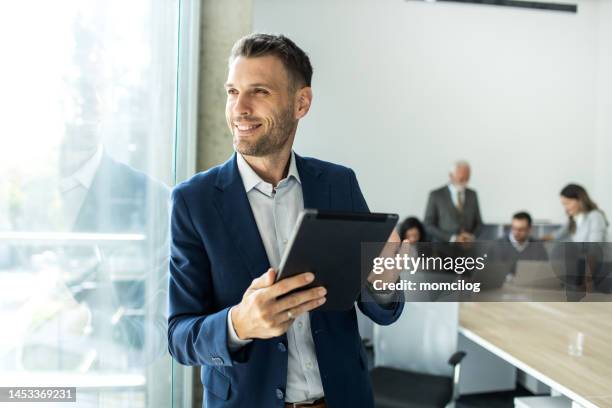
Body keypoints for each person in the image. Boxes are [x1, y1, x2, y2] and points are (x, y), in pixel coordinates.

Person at [167, 34, 404, 408]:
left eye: (258, 91)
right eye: (232, 91)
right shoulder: (192, 201)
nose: (239, 108)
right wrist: (239, 324)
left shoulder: (339, 184)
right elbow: (179, 336)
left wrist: (383, 281)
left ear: (301, 102)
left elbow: (377, 308)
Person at [423, 160, 483, 242]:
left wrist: (471, 236)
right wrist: (452, 238)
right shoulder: (436, 195)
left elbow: (479, 224)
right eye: (461, 178)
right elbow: (428, 225)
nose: (465, 181)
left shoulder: (472, 194)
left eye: (467, 178)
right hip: (442, 248)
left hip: (468, 248)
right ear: (451, 176)